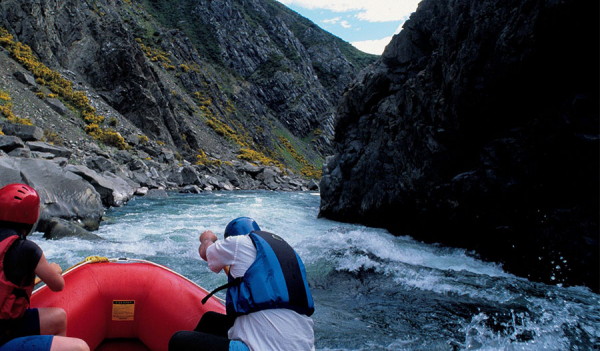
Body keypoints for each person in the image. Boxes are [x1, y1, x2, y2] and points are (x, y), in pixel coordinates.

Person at [169, 217, 315, 351]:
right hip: (303, 345)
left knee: (178, 341)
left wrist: (207, 238)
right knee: (210, 320)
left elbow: (205, 252)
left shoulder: (239, 242)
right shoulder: (289, 254)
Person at [0, 183, 89, 351]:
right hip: (3, 336)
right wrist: (55, 269)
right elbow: (58, 285)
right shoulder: (27, 249)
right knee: (80, 347)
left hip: (9, 325)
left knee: (58, 318)